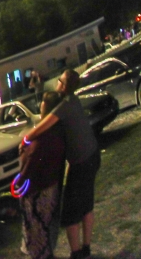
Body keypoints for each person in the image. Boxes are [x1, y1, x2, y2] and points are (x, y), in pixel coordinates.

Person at [23, 69, 100, 259]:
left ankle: (76, 253)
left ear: (64, 86)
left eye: (59, 80)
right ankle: (86, 247)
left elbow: (44, 124)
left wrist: (25, 139)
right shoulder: (74, 100)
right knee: (86, 205)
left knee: (71, 213)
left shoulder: (64, 105)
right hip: (93, 156)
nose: (57, 83)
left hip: (81, 162)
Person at [18, 92, 66, 259]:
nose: (40, 104)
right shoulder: (59, 131)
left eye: (44, 101)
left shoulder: (41, 137)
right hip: (50, 185)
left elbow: (29, 165)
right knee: (46, 229)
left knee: (38, 231)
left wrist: (21, 180)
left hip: (38, 191)